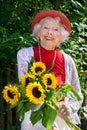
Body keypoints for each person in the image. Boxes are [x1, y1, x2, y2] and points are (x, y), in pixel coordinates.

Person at [17, 10, 83, 130]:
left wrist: (69, 108)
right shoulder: (24, 55)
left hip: (62, 117)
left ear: (61, 37)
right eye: (46, 27)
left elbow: (77, 93)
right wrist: (48, 121)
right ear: (38, 32)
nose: (50, 33)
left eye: (55, 29)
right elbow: (25, 88)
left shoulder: (68, 60)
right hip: (35, 115)